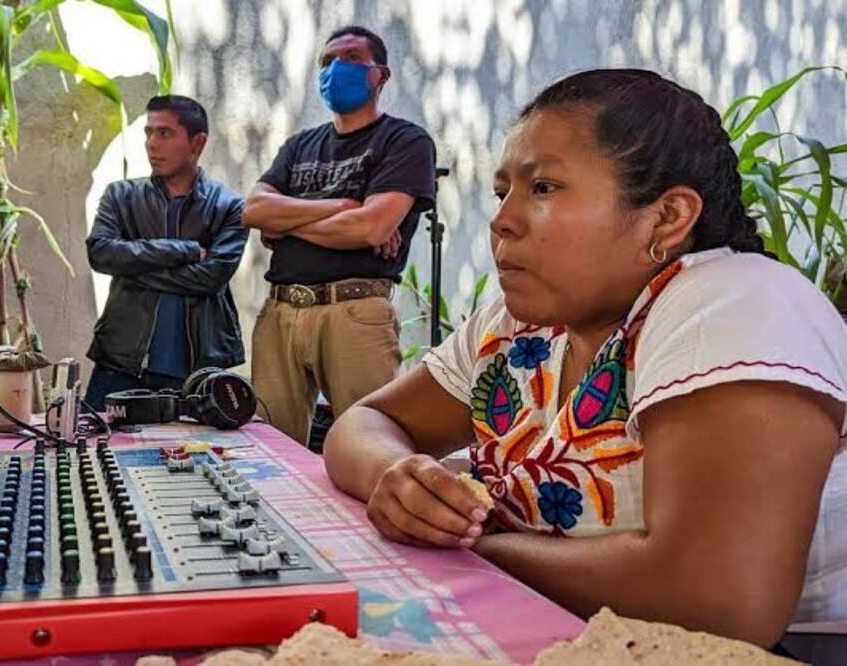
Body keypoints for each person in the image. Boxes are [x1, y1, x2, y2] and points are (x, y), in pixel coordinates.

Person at [323, 68, 847, 647]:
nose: (502, 220)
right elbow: (366, 422)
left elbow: (717, 596)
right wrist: (399, 479)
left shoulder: (737, 302)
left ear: (667, 217)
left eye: (543, 188)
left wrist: (474, 545)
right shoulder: (519, 327)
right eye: (502, 192)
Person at [243, 25, 436, 446]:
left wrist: (286, 223)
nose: (335, 69)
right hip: (280, 313)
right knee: (270, 450)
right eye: (326, 62)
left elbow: (371, 227)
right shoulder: (299, 146)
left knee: (372, 446)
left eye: (350, 58)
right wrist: (343, 206)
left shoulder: (404, 141)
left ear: (380, 75)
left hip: (353, 312)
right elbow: (254, 210)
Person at [84, 95, 247, 409]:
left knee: (193, 444)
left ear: (197, 143)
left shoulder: (229, 206)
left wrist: (132, 268)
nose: (152, 144)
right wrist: (184, 250)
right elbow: (101, 254)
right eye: (149, 132)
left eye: (165, 133)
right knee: (97, 436)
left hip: (198, 369)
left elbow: (211, 278)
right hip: (120, 361)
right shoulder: (121, 196)